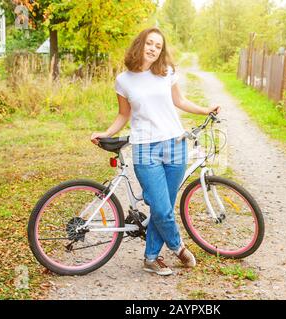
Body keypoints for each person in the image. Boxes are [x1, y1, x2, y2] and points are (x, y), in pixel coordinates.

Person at [91, 27, 220, 276]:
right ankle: (178, 247)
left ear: (161, 51)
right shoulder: (123, 80)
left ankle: (150, 258)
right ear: (140, 44)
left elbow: (180, 102)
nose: (153, 49)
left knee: (164, 208)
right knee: (161, 209)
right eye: (149, 43)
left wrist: (206, 110)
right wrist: (106, 133)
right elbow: (124, 114)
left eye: (158, 46)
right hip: (144, 150)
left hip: (175, 146)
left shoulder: (166, 72)